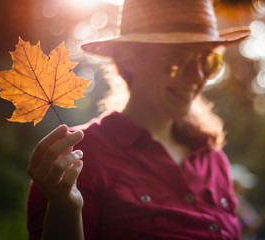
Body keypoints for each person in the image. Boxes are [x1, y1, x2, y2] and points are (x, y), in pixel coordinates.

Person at [26, 0, 250, 239]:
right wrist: (64, 209)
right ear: (128, 58)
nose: (197, 76)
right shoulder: (73, 159)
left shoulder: (213, 159)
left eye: (208, 61)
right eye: (178, 60)